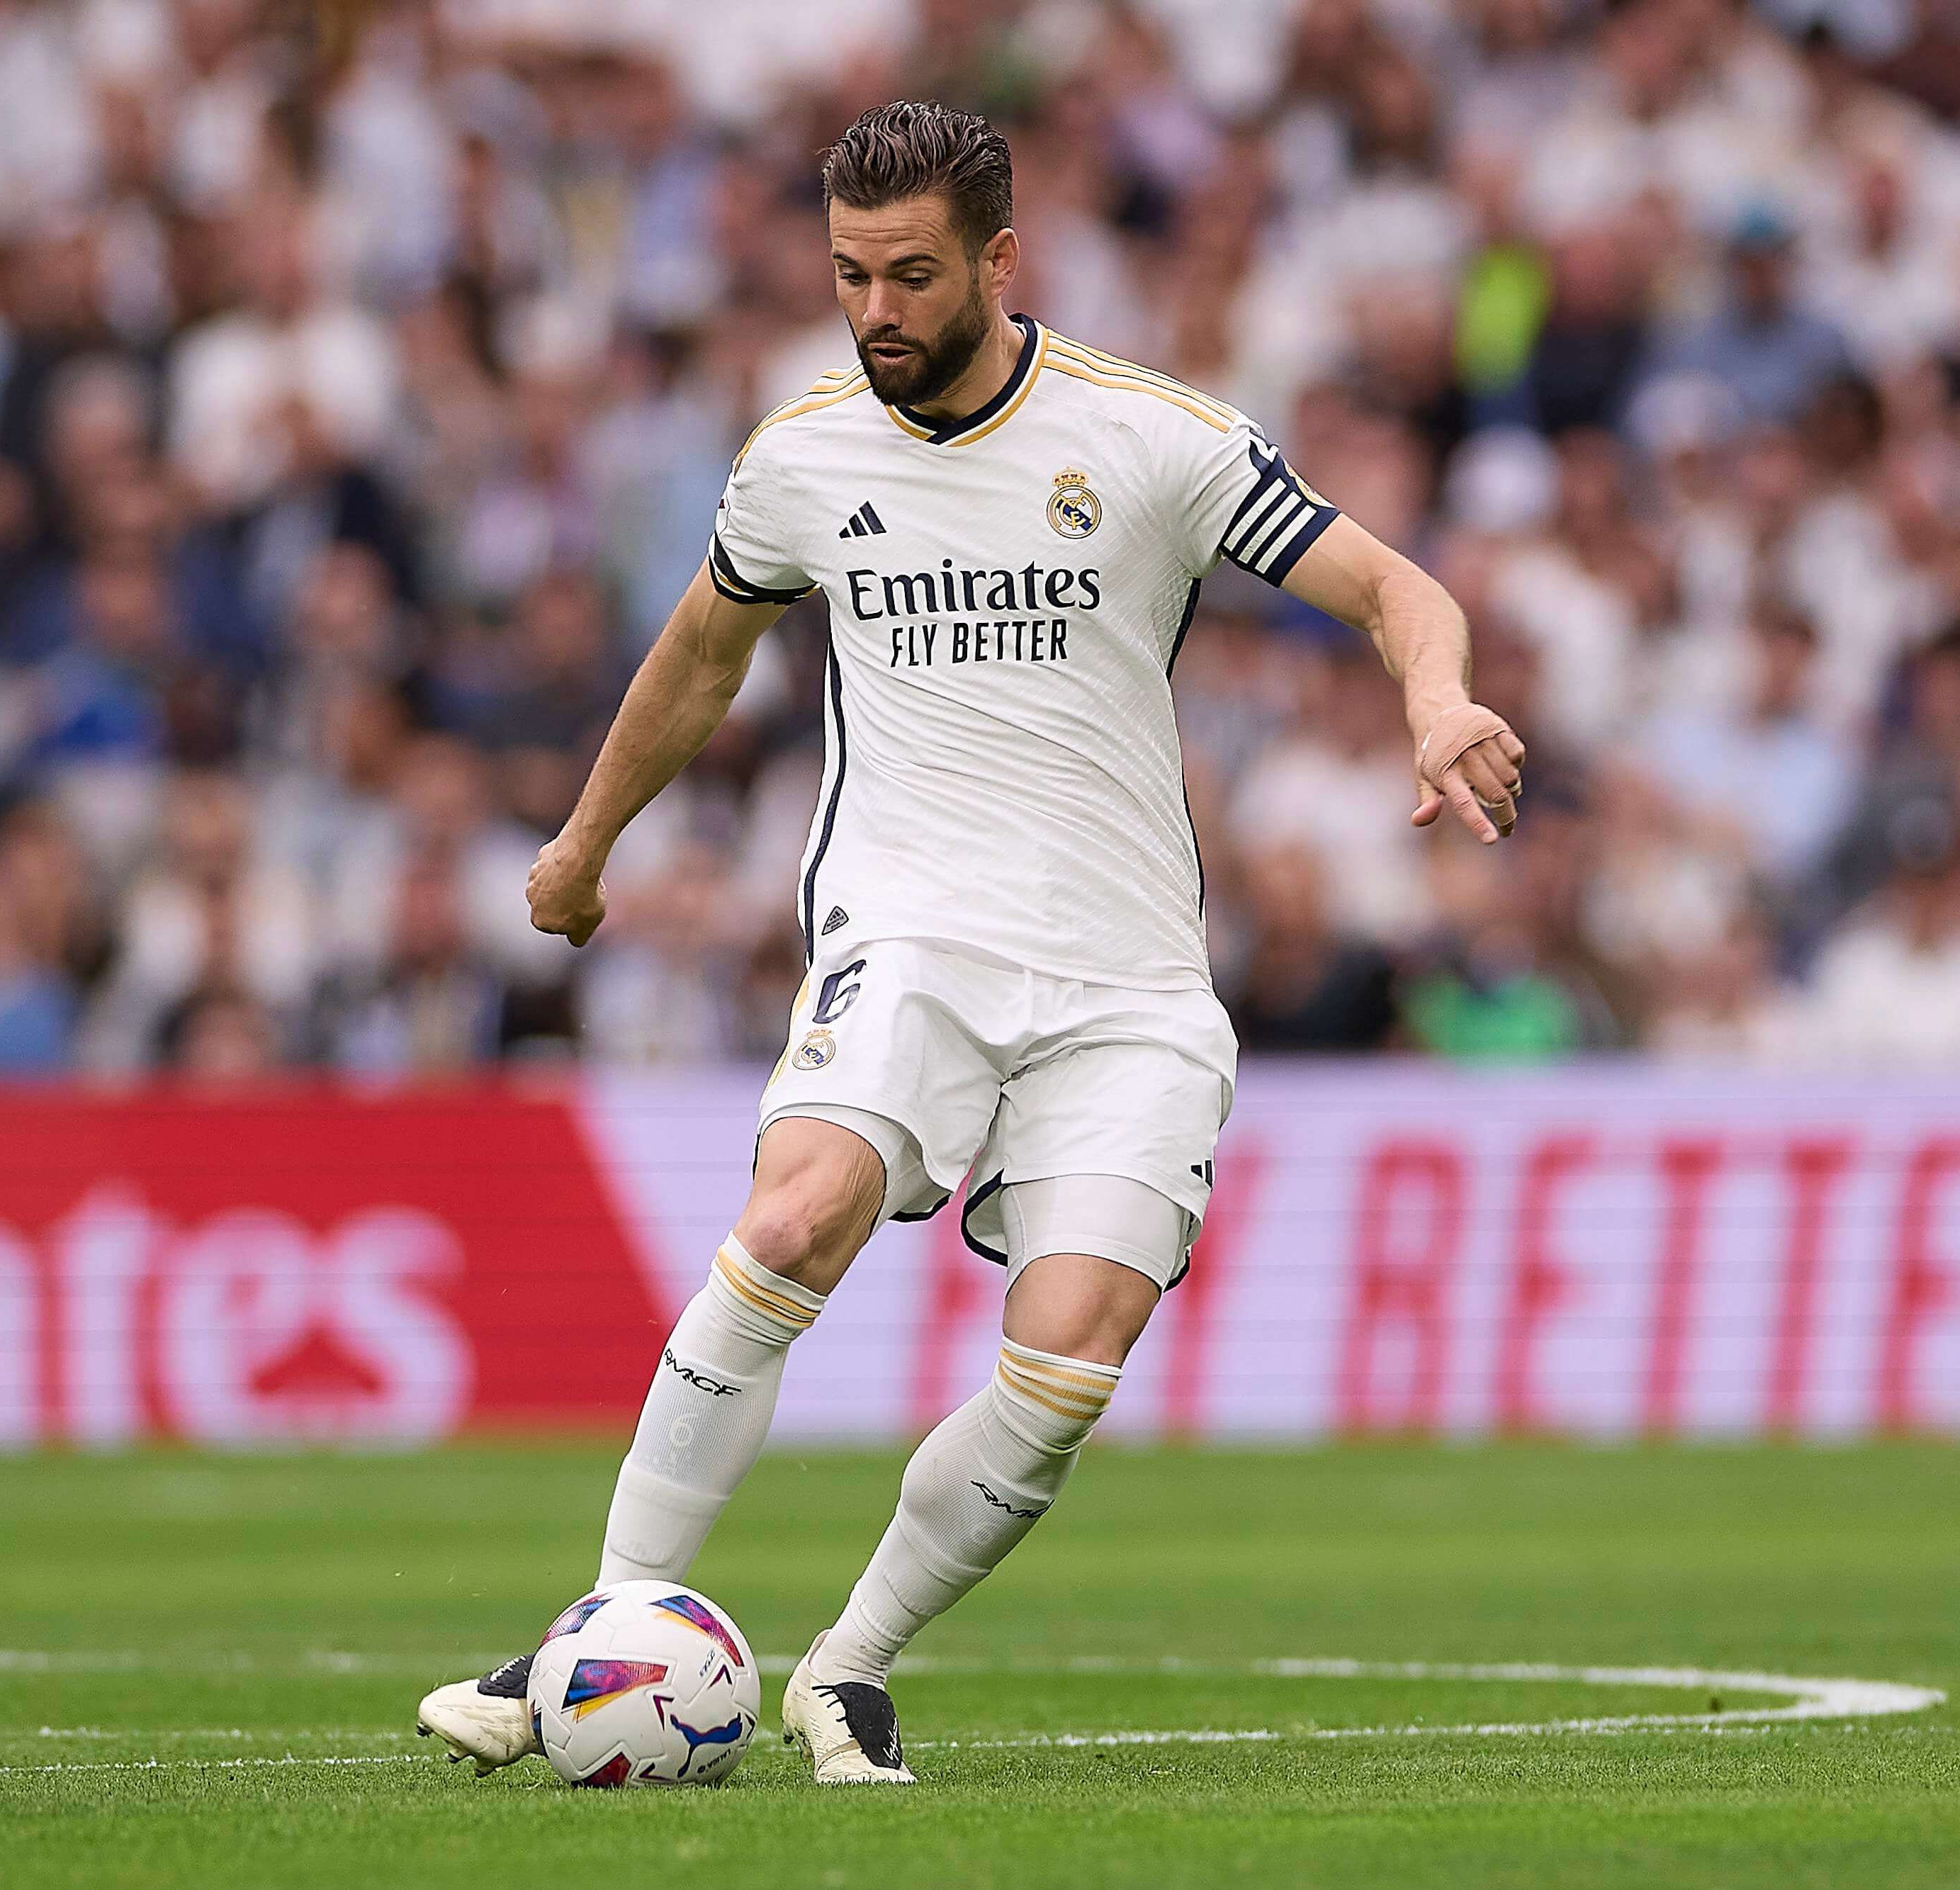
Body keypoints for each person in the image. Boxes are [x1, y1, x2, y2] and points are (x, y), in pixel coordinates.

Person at [413, 101, 1524, 1785]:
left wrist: (1436, 700)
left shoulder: (1150, 436)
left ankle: (845, 1665)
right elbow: (700, 657)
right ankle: (605, 1629)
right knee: (795, 1210)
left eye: (910, 274)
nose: (873, 309)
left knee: (1071, 1349)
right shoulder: (799, 454)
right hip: (909, 924)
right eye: (849, 272)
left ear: (998, 262)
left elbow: (1390, 587)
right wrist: (581, 845)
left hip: (1127, 974)